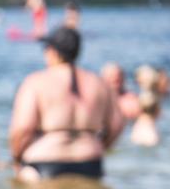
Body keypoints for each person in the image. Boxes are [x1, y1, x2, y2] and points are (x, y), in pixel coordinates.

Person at [9, 27, 124, 181]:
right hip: (90, 163)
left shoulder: (35, 82)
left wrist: (17, 159)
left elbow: (22, 129)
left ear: (52, 52)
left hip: (45, 162)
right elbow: (116, 125)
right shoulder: (99, 83)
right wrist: (101, 146)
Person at [130, 65, 166, 147]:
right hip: (149, 127)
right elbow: (159, 114)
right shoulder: (155, 96)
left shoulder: (141, 95)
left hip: (139, 127)